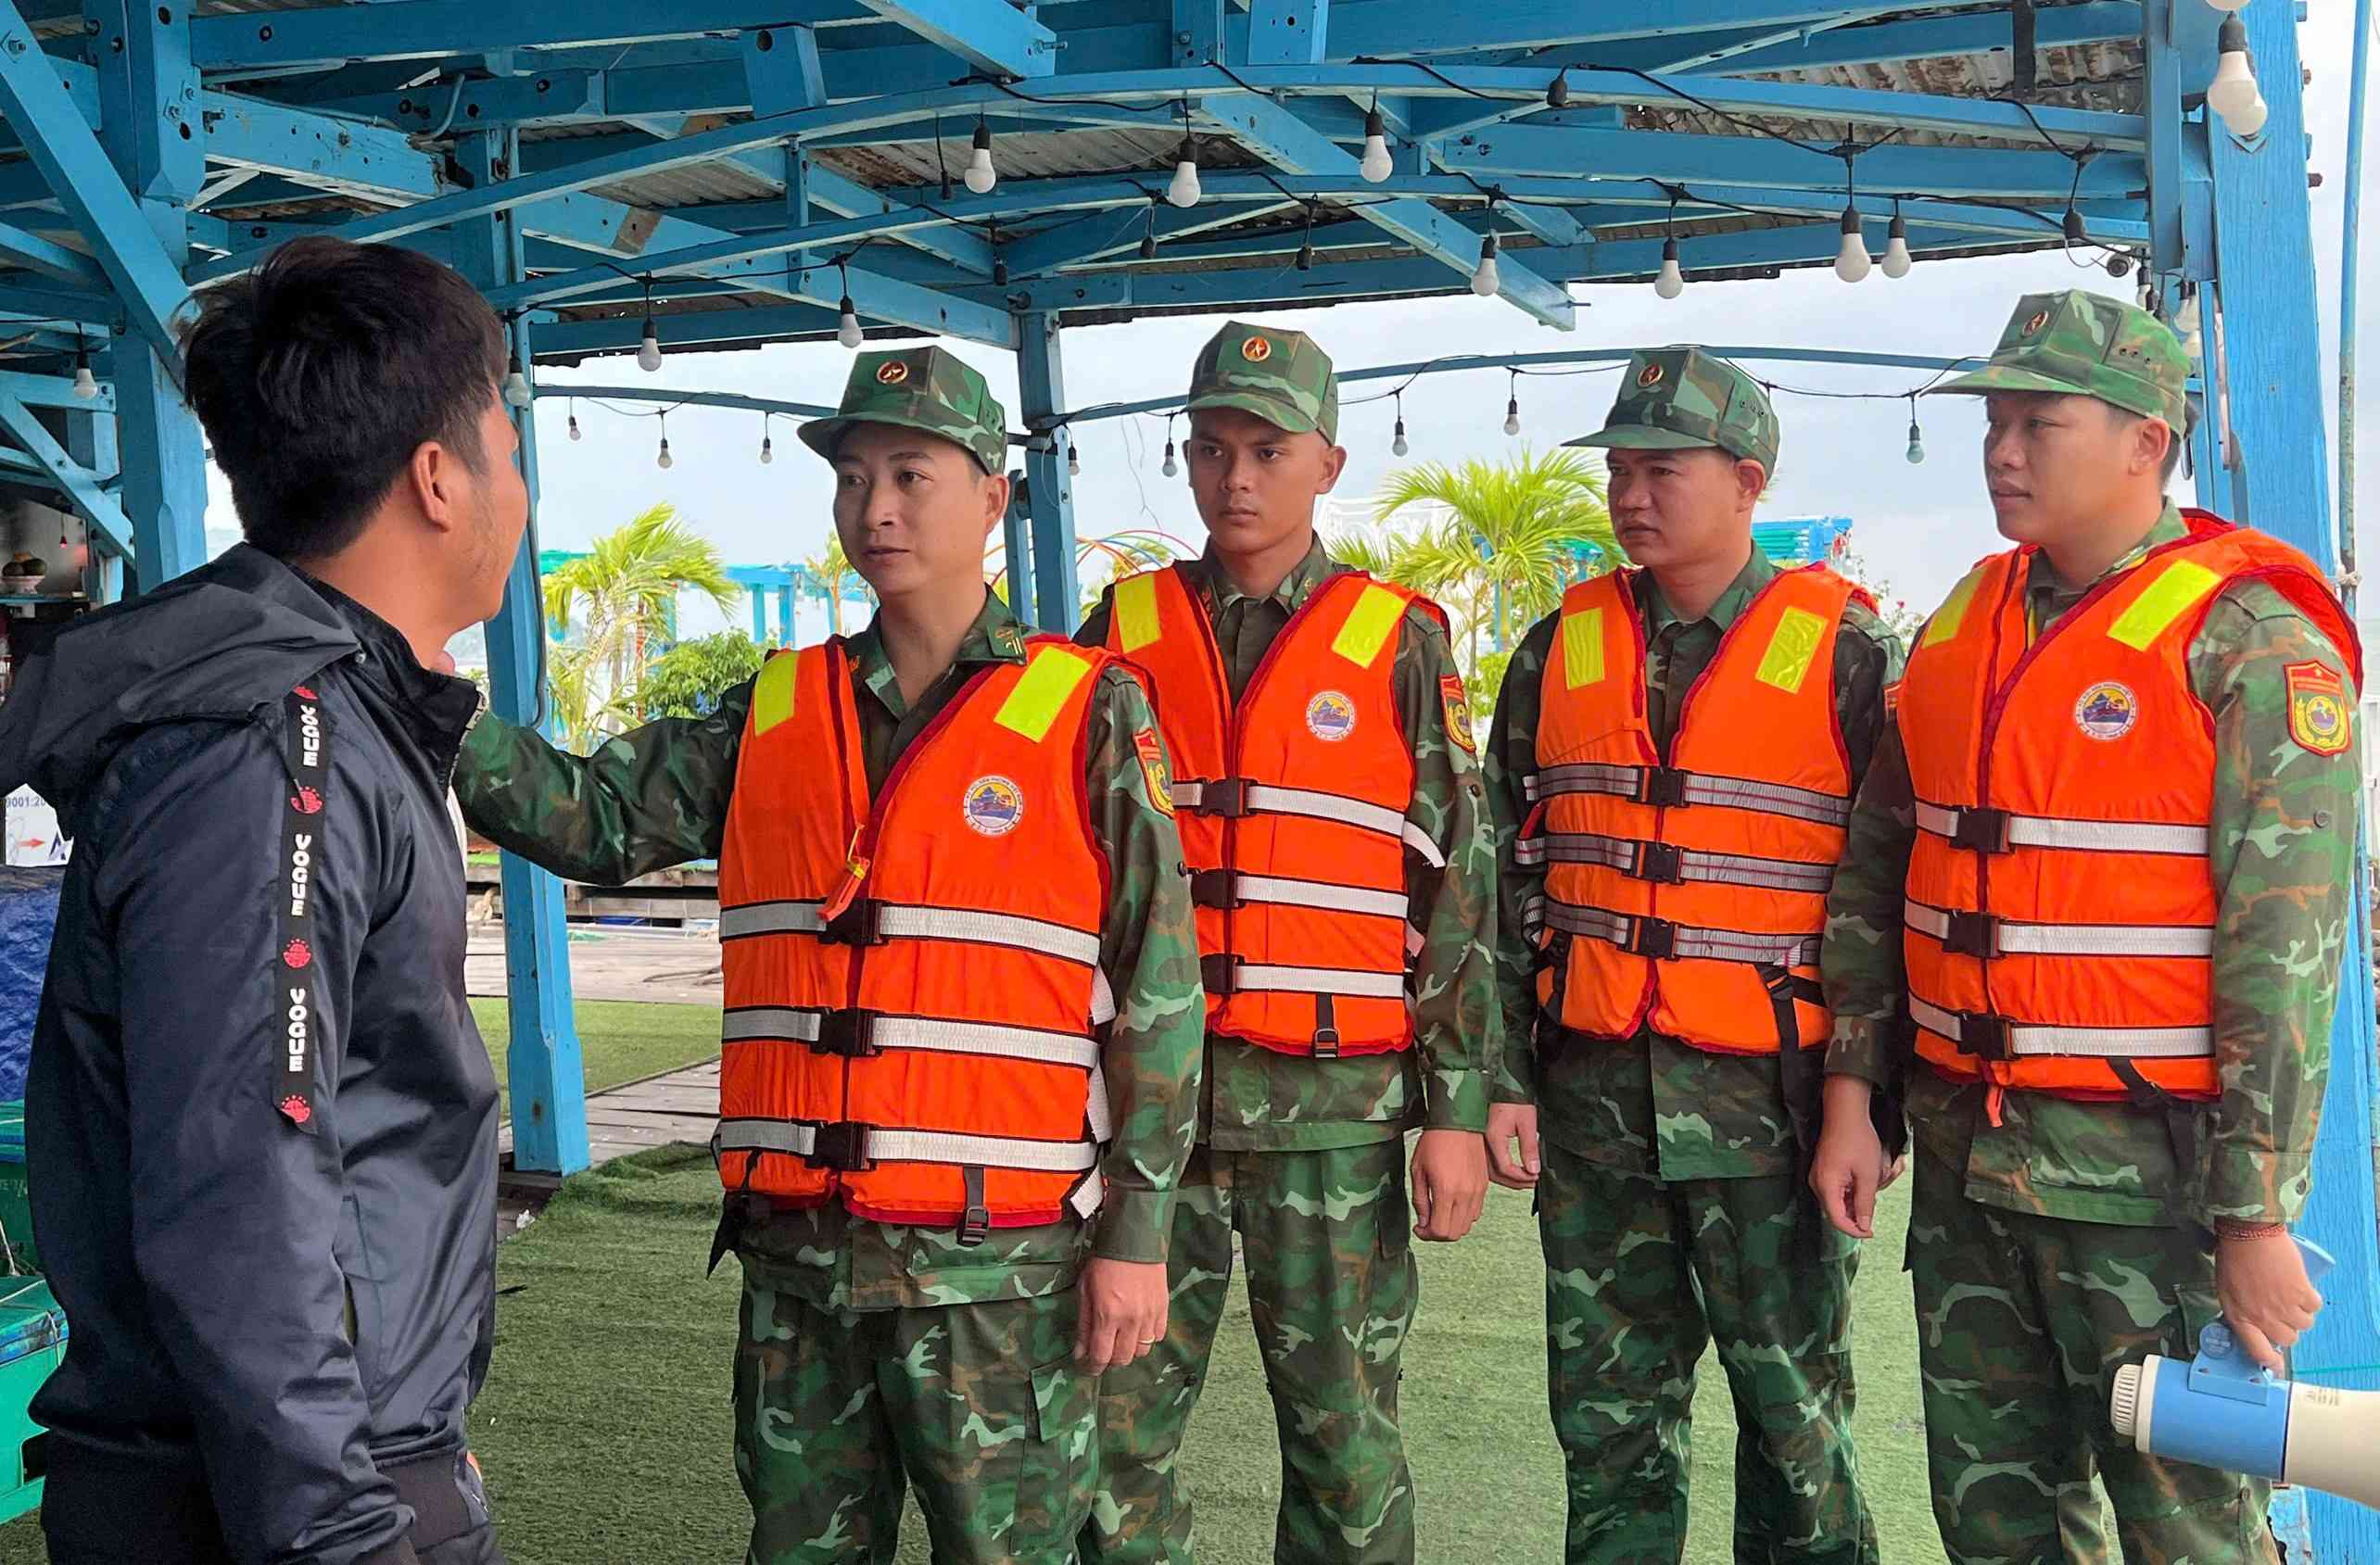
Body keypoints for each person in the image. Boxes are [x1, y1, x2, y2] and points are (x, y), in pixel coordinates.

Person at [455, 345, 1204, 1565]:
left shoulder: (1091, 712)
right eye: (854, 478)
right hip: (800, 1254)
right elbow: (588, 816)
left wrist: (1138, 1231)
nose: (878, 508)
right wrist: (437, 711)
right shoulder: (774, 708)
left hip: (996, 1268)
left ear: (995, 496)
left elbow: (1162, 998)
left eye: (911, 473)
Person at [1809, 289, 2360, 1564]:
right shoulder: (1964, 622)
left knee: (2191, 1530)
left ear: (2144, 443)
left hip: (2150, 1193)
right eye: (1993, 422)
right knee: (1993, 1518)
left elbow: (2286, 964)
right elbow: (1884, 868)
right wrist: (1855, 1089)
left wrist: (2257, 1210)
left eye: (2036, 422)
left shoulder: (2253, 643)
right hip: (1965, 1167)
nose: (2001, 449)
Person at [0, 235, 516, 1563]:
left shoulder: (335, 718)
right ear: (441, 479)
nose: (520, 488)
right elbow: (241, 1189)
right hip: (272, 1509)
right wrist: (342, 1534)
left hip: (323, 1470)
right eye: (508, 446)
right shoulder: (269, 749)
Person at [1074, 320, 1497, 1565]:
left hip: (1336, 1120)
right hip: (1157, 1122)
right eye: (1209, 448)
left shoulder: (1398, 640)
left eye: (1267, 449)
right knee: (1110, 1436)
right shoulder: (1120, 629)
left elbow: (1457, 885)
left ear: (1329, 462)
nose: (1235, 478)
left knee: (1344, 1439)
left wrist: (1457, 1102)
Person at [1482, 347, 1893, 1565]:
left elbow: (1878, 903)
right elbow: (1508, 880)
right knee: (1610, 1433)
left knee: (1796, 1434)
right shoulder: (1555, 651)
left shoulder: (1847, 655)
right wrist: (1505, 1075)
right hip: (1597, 1108)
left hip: (1773, 1113)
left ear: (1748, 478)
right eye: (1619, 469)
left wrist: (1863, 1105)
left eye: (1661, 468)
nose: (1631, 495)